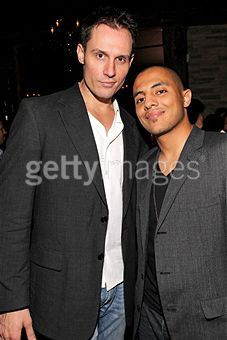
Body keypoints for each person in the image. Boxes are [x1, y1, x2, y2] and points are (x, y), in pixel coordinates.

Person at [0, 6, 145, 340]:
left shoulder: (135, 129)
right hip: (59, 295)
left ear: (131, 62)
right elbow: (10, 218)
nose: (110, 71)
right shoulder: (39, 116)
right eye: (100, 55)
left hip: (122, 295)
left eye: (120, 59)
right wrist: (10, 301)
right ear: (81, 53)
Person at [132, 65, 227, 339]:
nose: (148, 102)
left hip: (209, 322)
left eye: (160, 91)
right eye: (139, 98)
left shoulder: (220, 152)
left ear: (186, 98)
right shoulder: (142, 166)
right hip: (148, 318)